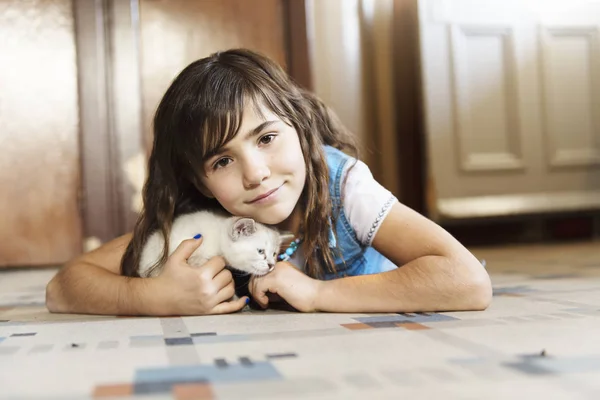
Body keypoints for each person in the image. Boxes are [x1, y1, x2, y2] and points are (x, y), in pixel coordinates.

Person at [46, 49, 491, 316]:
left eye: (267, 138)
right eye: (222, 160)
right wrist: (153, 296)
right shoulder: (214, 214)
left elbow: (469, 281)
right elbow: (63, 288)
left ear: (299, 127)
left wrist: (317, 293)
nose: (255, 173)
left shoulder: (344, 185)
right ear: (200, 182)